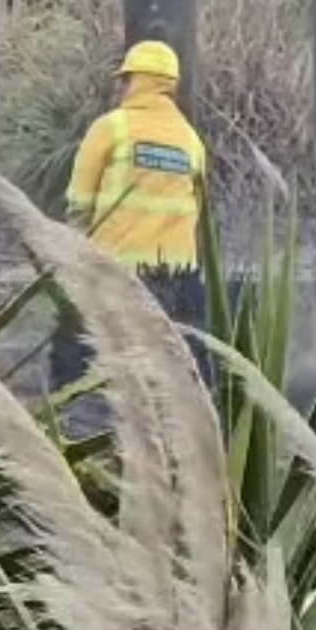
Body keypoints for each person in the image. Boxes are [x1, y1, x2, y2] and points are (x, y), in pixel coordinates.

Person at [54, 39, 207, 389]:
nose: (120, 87)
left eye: (124, 80)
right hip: (178, 285)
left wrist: (74, 264)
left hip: (115, 276)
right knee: (174, 383)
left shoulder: (110, 128)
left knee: (80, 370)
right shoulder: (191, 141)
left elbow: (79, 205)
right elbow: (197, 214)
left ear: (133, 80)